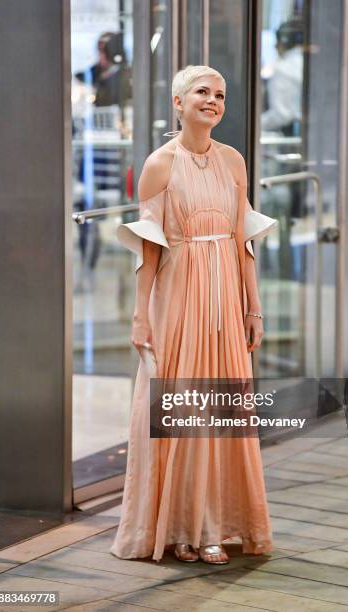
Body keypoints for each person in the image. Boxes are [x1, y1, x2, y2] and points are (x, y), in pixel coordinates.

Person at [110, 65, 277, 564]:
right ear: (179, 103)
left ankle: (215, 525)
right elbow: (150, 248)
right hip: (179, 297)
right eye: (202, 92)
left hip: (226, 297)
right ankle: (180, 526)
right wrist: (141, 315)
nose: (213, 100)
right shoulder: (160, 164)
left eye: (220, 95)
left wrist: (255, 307)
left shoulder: (233, 161)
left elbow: (243, 241)